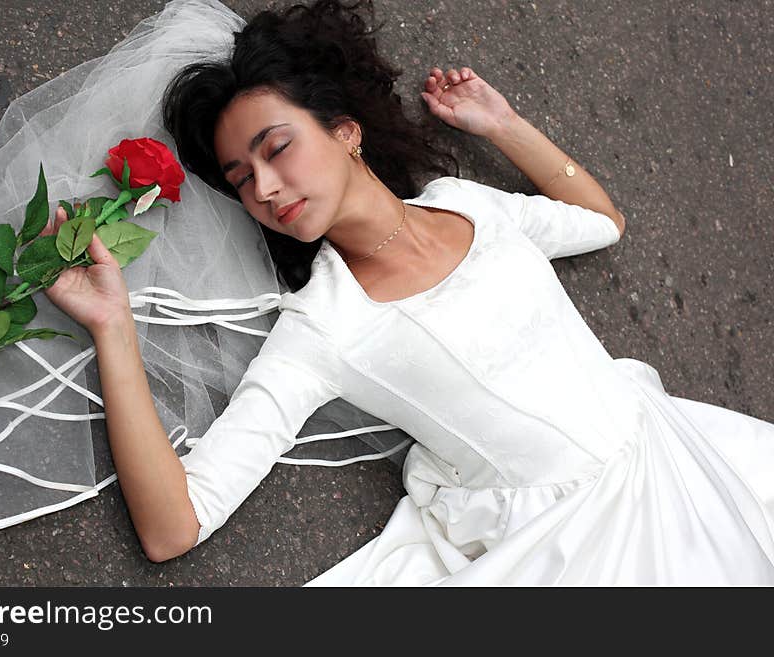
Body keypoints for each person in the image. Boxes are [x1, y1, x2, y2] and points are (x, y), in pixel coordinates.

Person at [38, 0, 774, 584]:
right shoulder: (325, 325)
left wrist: (504, 124)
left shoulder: (467, 203)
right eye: (240, 179)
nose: (263, 188)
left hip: (673, 446)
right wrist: (114, 327)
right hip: (577, 541)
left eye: (277, 148)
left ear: (347, 131)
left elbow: (600, 222)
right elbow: (175, 526)